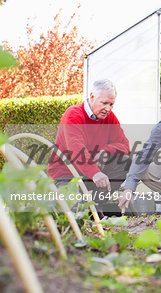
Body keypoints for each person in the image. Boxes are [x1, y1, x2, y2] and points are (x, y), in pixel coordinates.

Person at [47, 79, 130, 215]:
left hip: (92, 173)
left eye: (111, 104)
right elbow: (76, 150)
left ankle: (96, 207)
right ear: (92, 96)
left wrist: (105, 152)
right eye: (104, 103)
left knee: (125, 161)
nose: (108, 108)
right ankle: (72, 207)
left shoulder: (109, 117)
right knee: (73, 216)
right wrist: (95, 173)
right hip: (66, 174)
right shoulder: (73, 115)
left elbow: (124, 145)